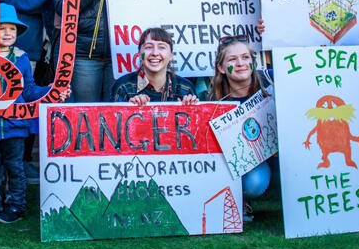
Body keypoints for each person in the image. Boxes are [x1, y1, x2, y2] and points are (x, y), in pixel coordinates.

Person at [0, 4, 66, 223]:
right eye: (2, 28)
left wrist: (51, 90)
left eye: (12, 28)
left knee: (15, 167)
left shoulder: (21, 58)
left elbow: (29, 91)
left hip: (16, 125)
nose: (8, 33)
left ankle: (15, 207)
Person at [209, 35, 273, 222]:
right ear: (221, 68)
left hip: (279, 158)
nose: (240, 63)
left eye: (245, 57)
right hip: (252, 164)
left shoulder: (272, 82)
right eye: (232, 59)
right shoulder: (215, 103)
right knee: (255, 183)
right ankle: (241, 198)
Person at [112, 27, 198, 104]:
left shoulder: (186, 88)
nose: (155, 53)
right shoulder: (123, 87)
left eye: (162, 47)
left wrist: (190, 110)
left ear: (171, 56)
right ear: (139, 55)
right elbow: (113, 120)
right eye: (148, 47)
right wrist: (129, 109)